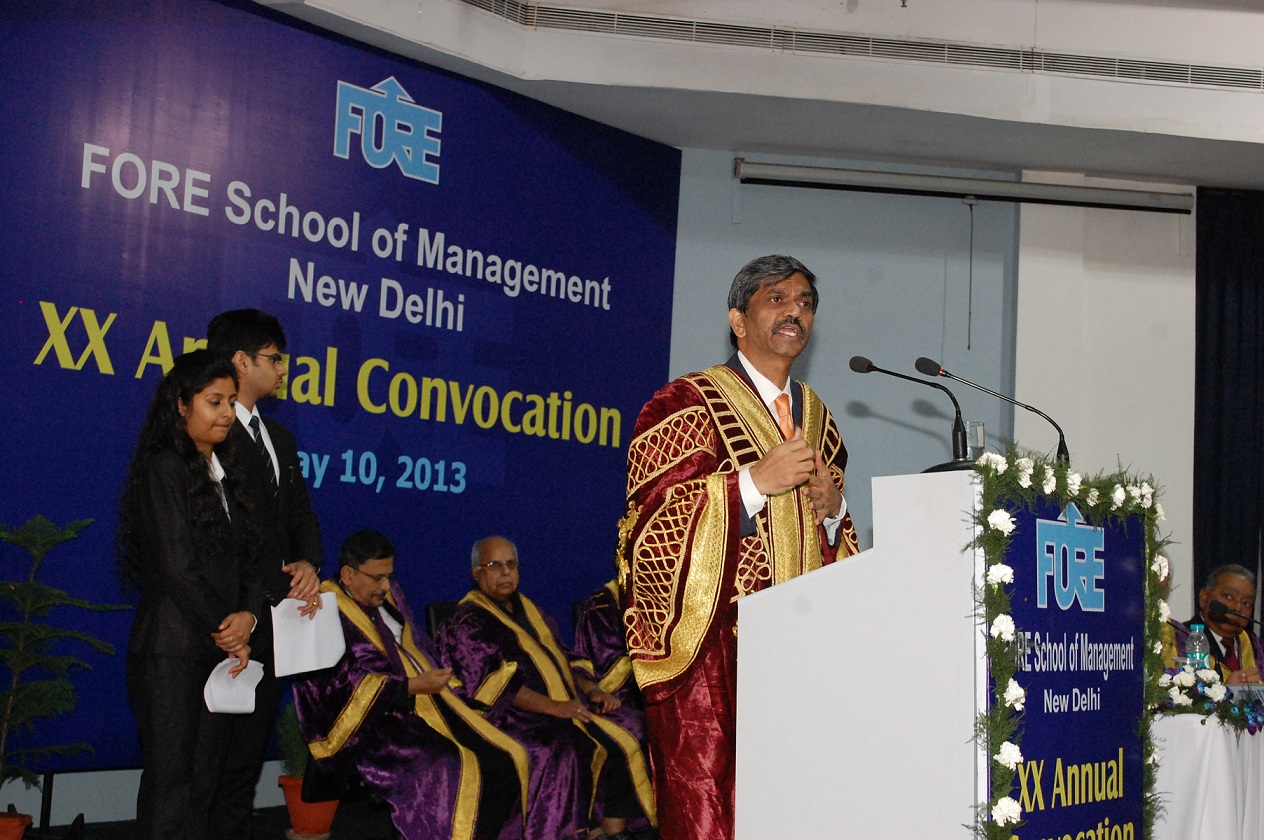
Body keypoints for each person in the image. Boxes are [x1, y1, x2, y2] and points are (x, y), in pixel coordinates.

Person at [618, 254, 860, 840]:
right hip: (714, 659)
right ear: (737, 319)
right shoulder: (683, 403)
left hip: (804, 657)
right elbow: (648, 531)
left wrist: (835, 511)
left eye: (805, 303)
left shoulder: (819, 418)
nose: (795, 312)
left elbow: (833, 547)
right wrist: (750, 484)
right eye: (777, 299)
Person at [293, 530, 529, 840]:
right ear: (348, 575)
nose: (386, 586)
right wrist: (407, 687)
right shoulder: (323, 608)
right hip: (378, 722)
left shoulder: (389, 596)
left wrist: (445, 681)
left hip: (429, 703)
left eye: (389, 576)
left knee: (508, 757)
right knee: (452, 766)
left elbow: (417, 645)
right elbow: (331, 687)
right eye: (377, 578)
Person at [117, 350, 260, 840]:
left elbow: (250, 560)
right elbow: (178, 567)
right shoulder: (164, 468)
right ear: (182, 405)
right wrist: (228, 629)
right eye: (213, 401)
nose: (226, 413)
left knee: (204, 784)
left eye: (231, 402)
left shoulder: (227, 471)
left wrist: (249, 618)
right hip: (171, 652)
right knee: (171, 784)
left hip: (217, 651)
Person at [436, 536, 656, 840]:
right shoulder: (467, 621)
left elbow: (564, 657)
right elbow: (493, 686)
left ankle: (612, 827)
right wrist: (556, 708)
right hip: (514, 717)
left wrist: (592, 690)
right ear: (476, 573)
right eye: (495, 565)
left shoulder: (529, 609)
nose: (505, 573)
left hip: (566, 704)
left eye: (511, 564)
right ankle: (559, 832)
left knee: (633, 724)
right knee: (566, 747)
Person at [205, 308, 323, 838]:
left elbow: (300, 515)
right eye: (274, 358)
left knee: (247, 757)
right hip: (230, 619)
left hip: (278, 622)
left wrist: (309, 563)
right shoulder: (213, 435)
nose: (282, 369)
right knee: (208, 756)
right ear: (241, 360)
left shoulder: (280, 437)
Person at [1163, 563, 1263, 684]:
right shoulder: (1178, 641)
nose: (1237, 608)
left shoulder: (1257, 648)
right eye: (1229, 596)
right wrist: (1228, 690)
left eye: (1246, 603)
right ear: (1204, 597)